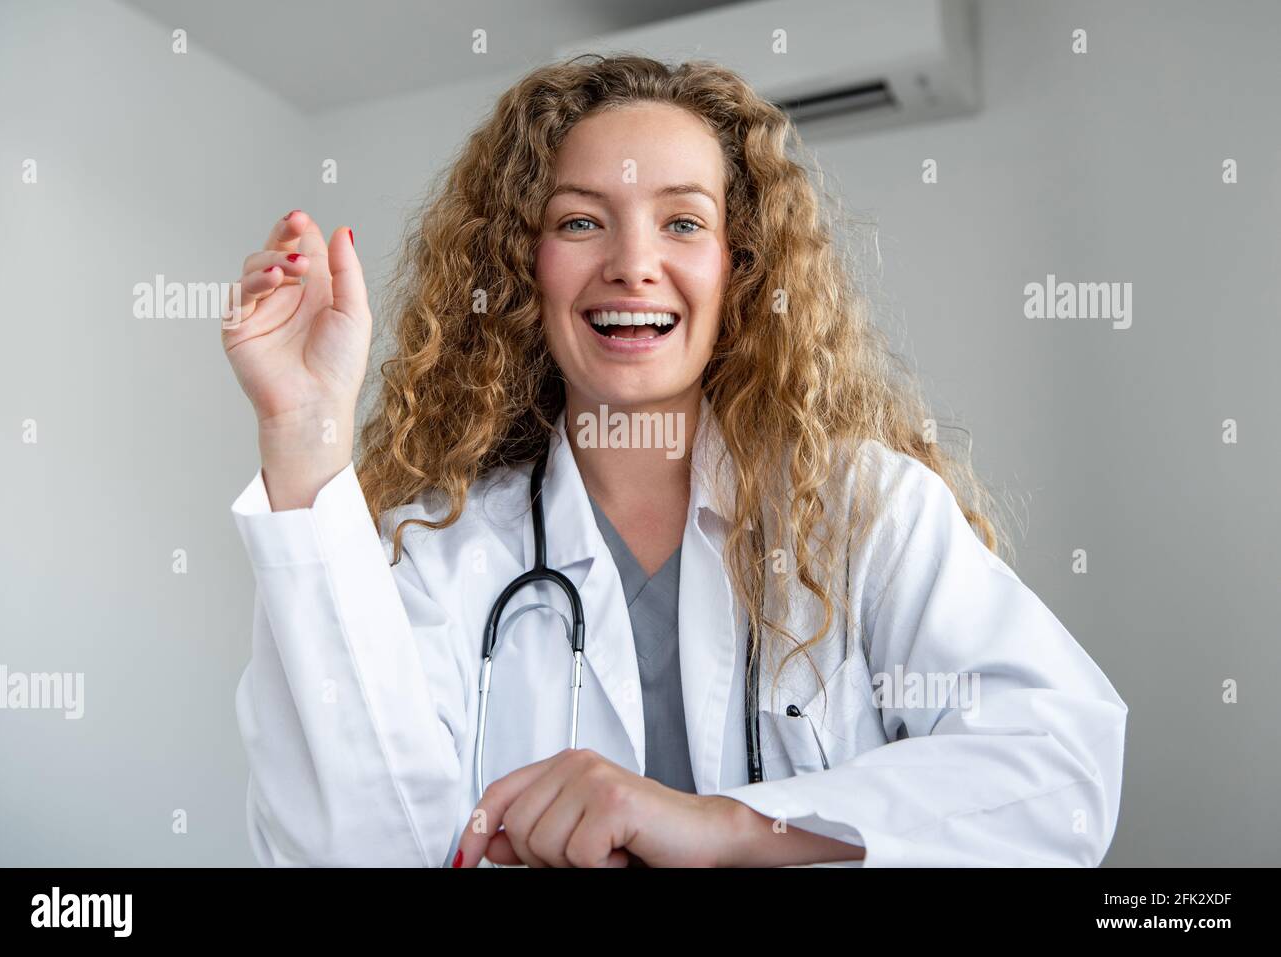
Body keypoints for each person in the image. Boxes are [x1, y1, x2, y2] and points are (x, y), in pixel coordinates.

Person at [221, 55, 1127, 868]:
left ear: (741, 268)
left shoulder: (866, 511)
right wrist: (304, 434)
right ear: (525, 267)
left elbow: (1058, 769)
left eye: (683, 222)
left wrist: (725, 826)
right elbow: (349, 851)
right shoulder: (443, 552)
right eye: (580, 222)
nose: (633, 264)